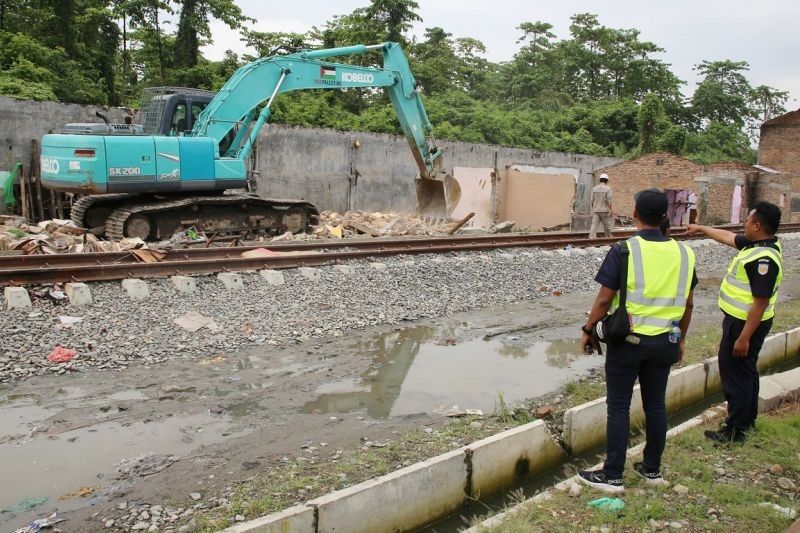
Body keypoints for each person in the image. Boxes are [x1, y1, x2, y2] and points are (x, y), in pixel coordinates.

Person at [578, 188, 697, 493]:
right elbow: (689, 304)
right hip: (666, 342)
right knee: (656, 405)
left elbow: (604, 300)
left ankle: (613, 475)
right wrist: (680, 340)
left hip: (628, 343)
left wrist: (589, 329)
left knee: (619, 406)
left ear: (635, 214)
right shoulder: (685, 253)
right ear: (665, 217)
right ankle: (652, 470)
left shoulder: (624, 250)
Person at [686, 202, 782, 444]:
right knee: (747, 370)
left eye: (748, 221)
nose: (744, 224)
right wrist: (701, 228)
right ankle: (746, 420)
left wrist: (744, 337)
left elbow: (760, 302)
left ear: (757, 225)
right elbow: (729, 237)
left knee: (735, 374)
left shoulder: (763, 259)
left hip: (744, 325)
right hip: (745, 323)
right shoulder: (760, 244)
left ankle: (734, 431)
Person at [589, 174, 614, 239]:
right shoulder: (608, 189)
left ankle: (591, 237)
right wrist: (611, 210)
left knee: (594, 225)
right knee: (606, 226)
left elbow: (591, 201)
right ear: (607, 180)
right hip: (604, 211)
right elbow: (609, 201)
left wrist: (594, 208)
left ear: (600, 180)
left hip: (596, 210)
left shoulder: (594, 189)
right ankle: (609, 238)